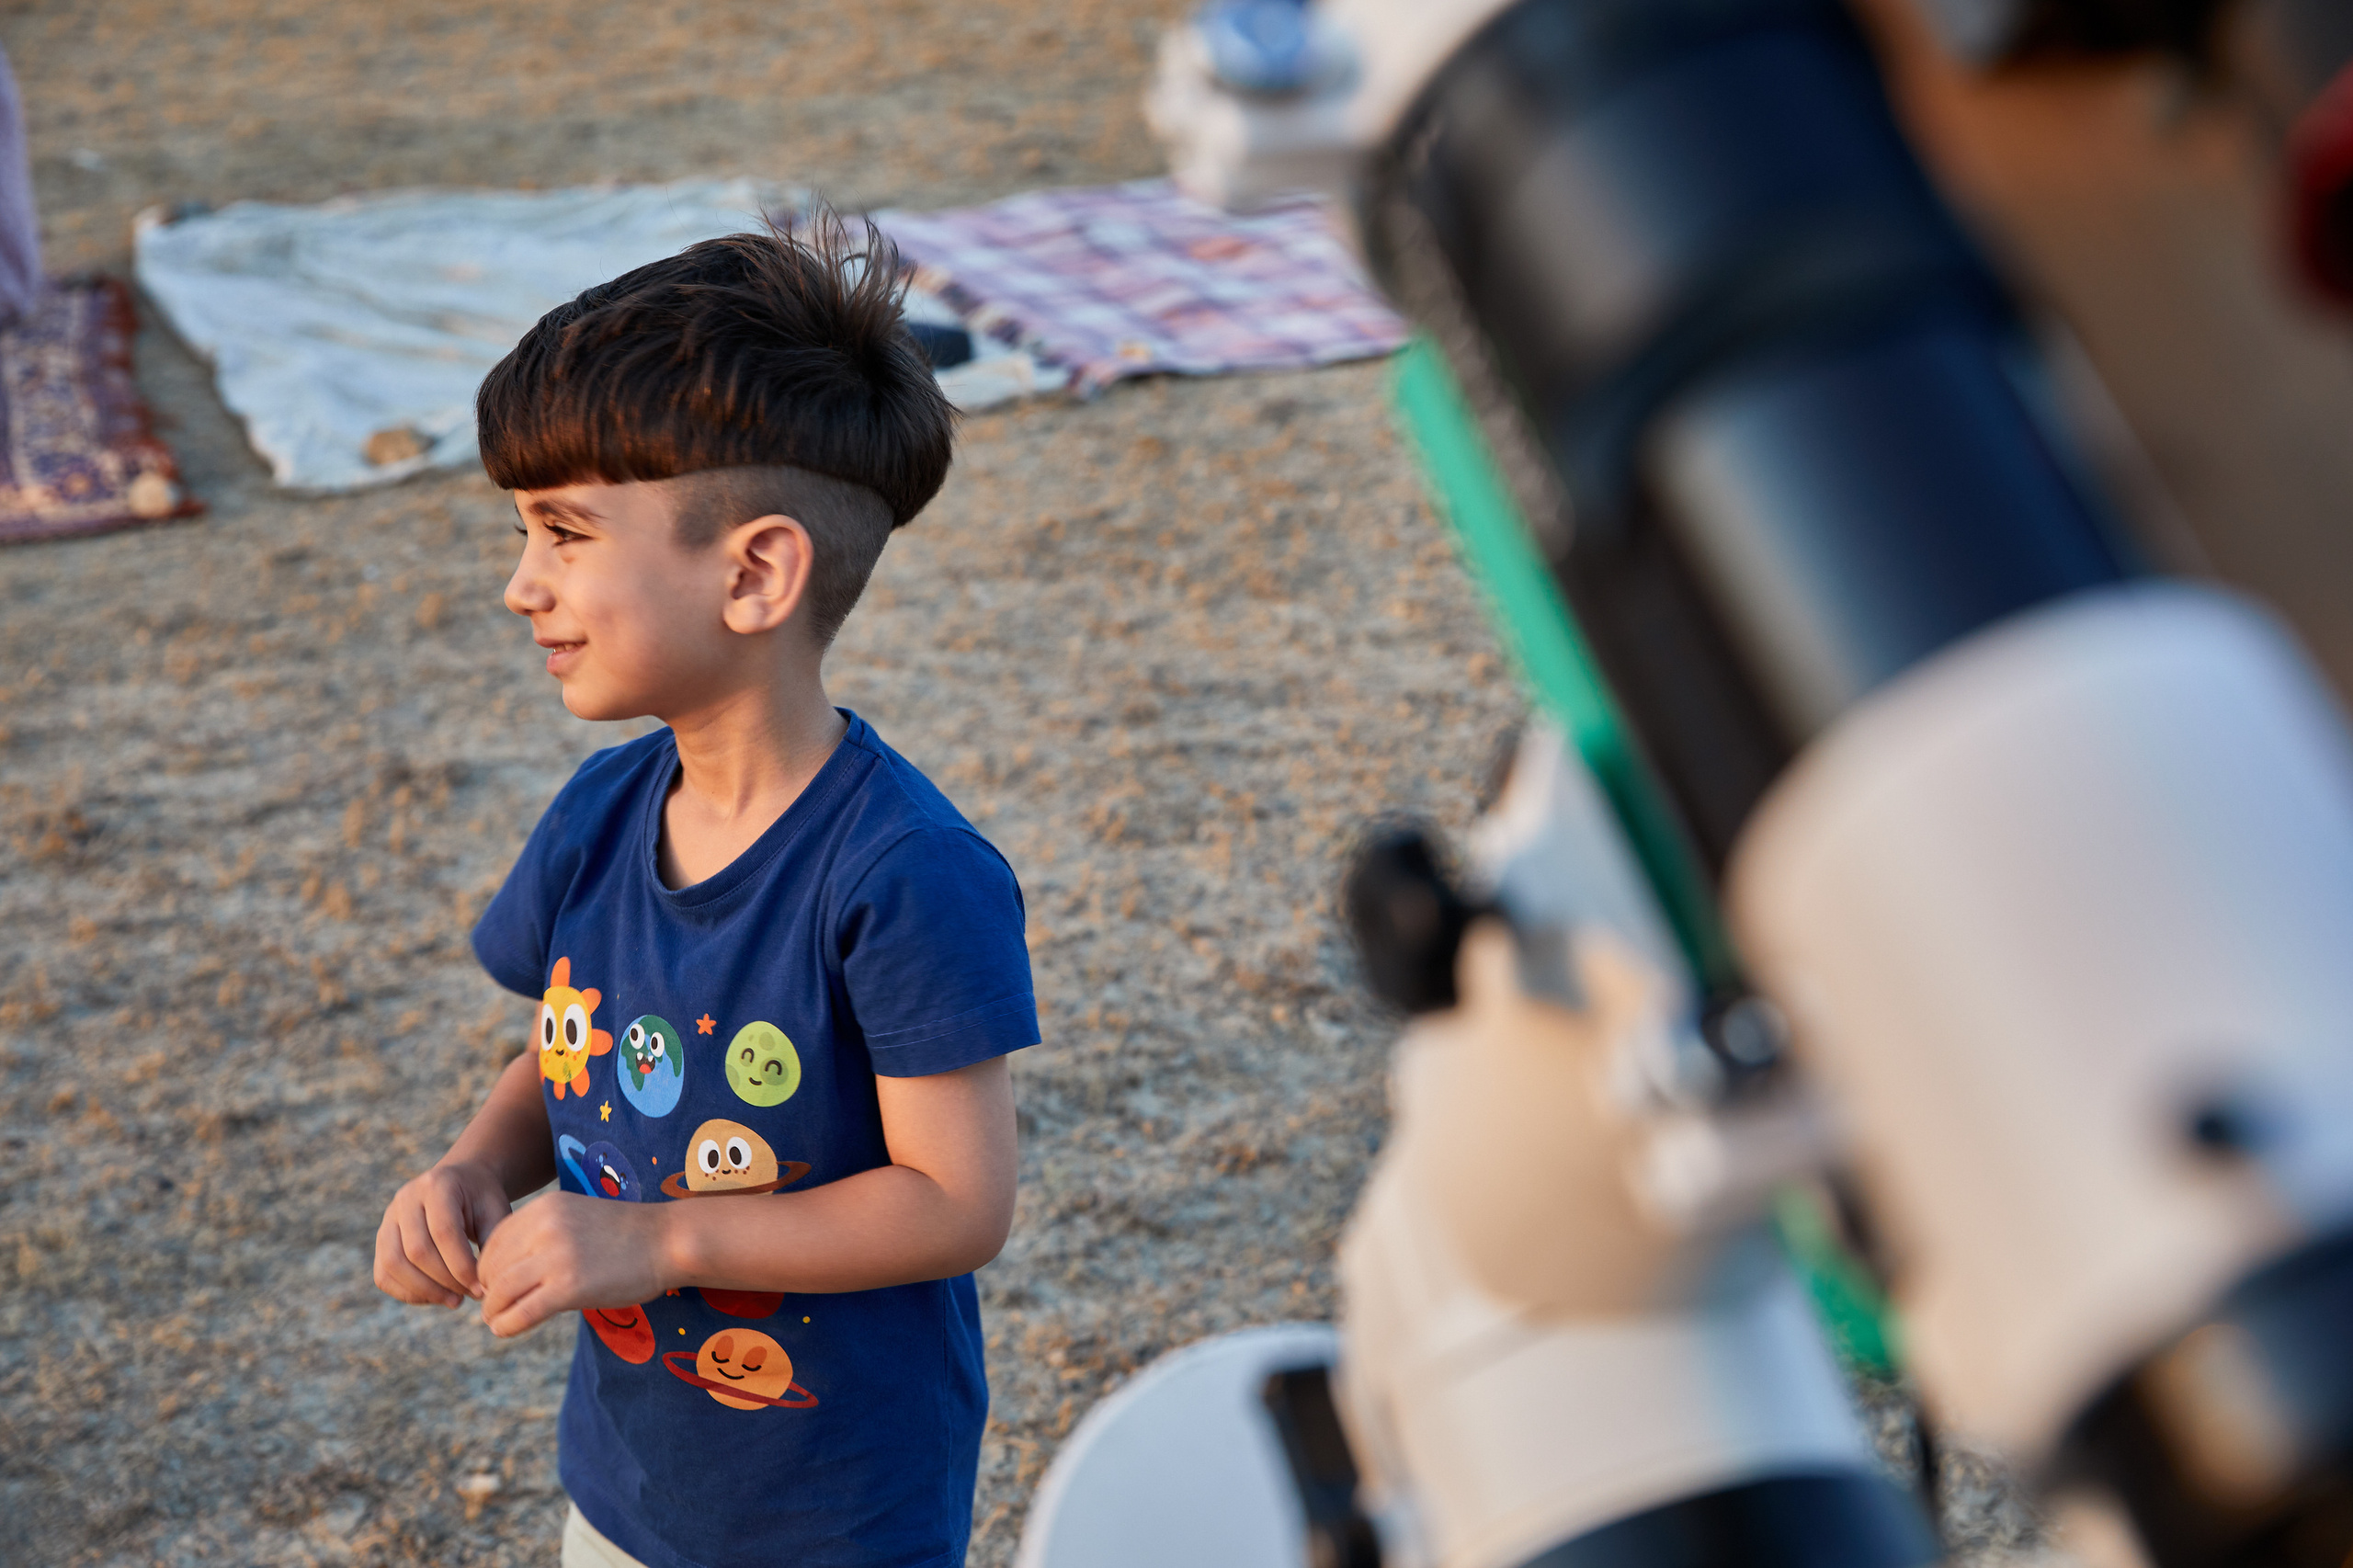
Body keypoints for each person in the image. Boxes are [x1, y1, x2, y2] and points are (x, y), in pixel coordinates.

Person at [372, 213, 1037, 1568]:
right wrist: (472, 1166)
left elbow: (956, 1199)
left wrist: (659, 1237)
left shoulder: (904, 874)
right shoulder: (600, 816)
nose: (520, 585)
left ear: (754, 572)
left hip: (833, 1511)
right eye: (523, 532)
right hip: (628, 1482)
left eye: (565, 532)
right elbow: (568, 1046)